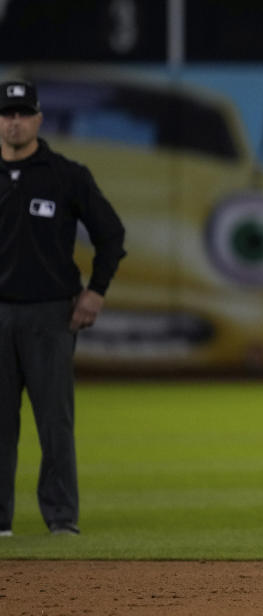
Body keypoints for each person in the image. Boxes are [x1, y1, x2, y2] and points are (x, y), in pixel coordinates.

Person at [0, 80, 126, 536]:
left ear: (38, 119)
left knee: (54, 423)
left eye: (22, 113)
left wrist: (96, 291)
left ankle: (61, 519)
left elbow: (111, 234)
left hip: (51, 315)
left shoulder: (65, 175)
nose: (14, 121)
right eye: (6, 113)